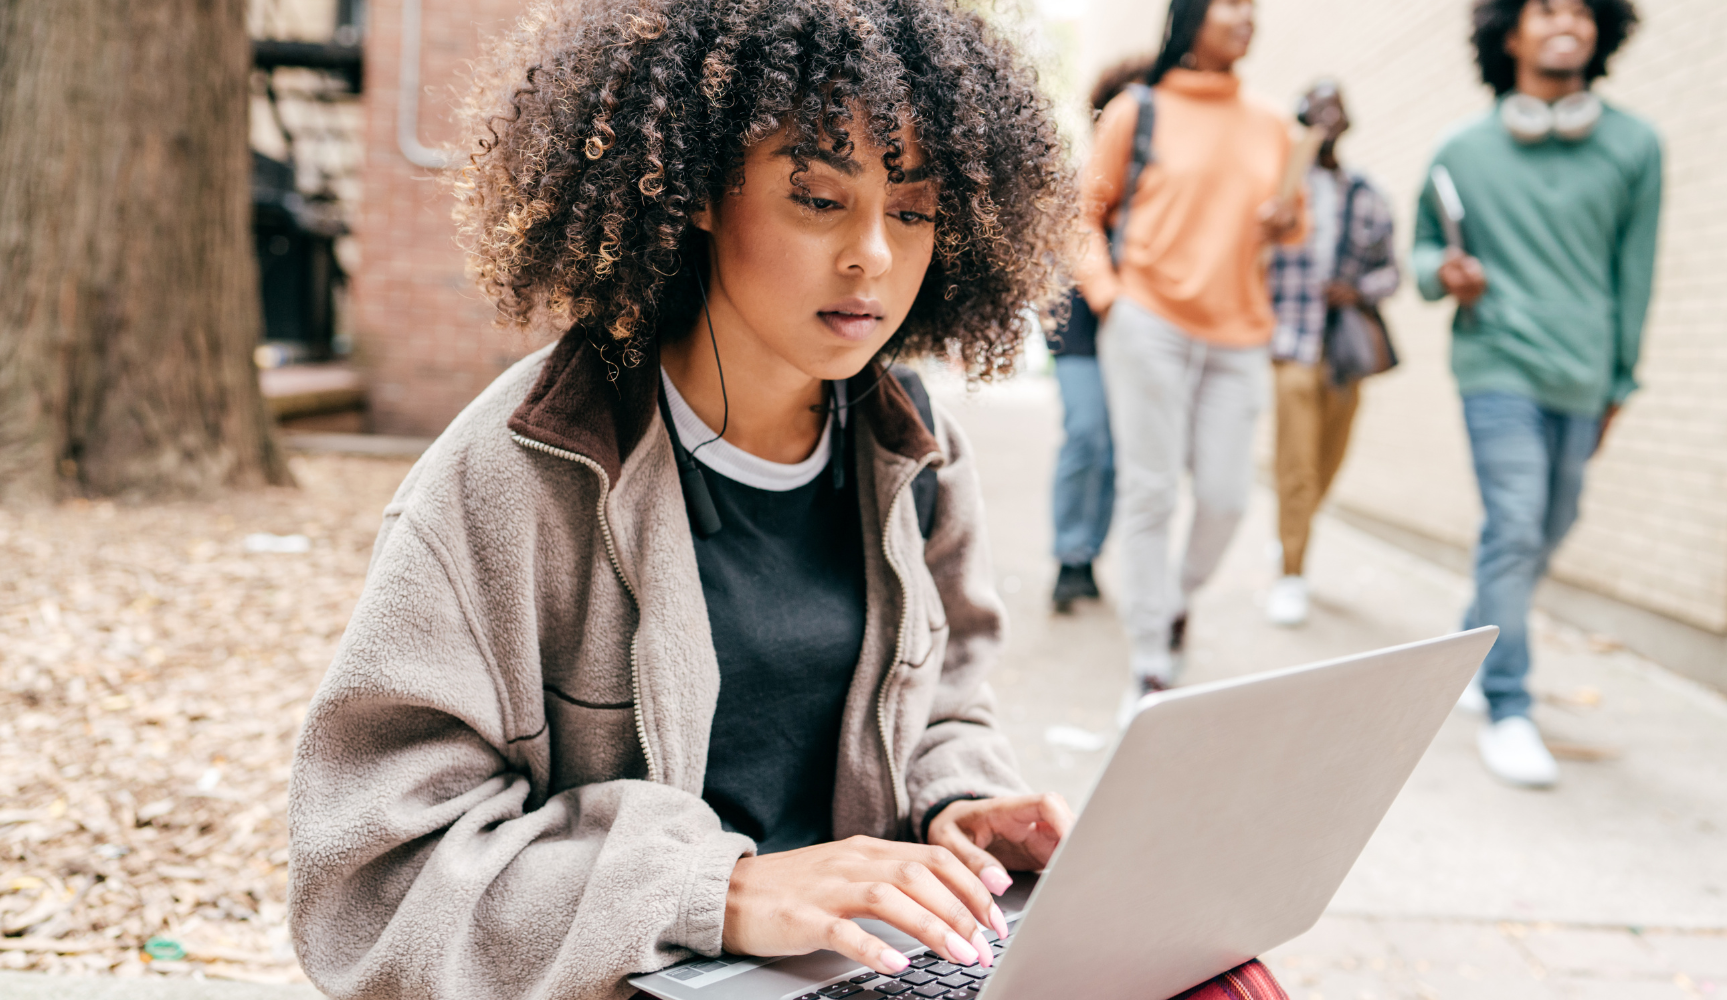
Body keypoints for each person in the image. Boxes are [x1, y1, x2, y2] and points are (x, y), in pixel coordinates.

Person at [285, 1, 1288, 998]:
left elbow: (943, 702)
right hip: (641, 974)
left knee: (1223, 977)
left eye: (911, 210)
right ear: (696, 190)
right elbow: (373, 883)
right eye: (818, 198)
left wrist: (960, 802)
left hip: (870, 960)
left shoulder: (917, 447)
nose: (873, 258)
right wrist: (713, 890)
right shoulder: (514, 476)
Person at [1413, 0, 1657, 788]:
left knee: (1553, 521)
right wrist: (1440, 272)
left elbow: (1636, 276)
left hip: (1583, 371)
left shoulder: (1635, 147)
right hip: (1497, 364)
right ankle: (1508, 700)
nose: (1568, 22)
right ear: (1508, 33)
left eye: (1584, 10)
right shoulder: (1461, 151)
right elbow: (1423, 249)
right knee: (1516, 523)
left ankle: (1474, 637)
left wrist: (1621, 381)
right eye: (1547, 8)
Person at [1078, 0, 1301, 708]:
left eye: (1252, 6)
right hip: (1150, 321)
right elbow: (1083, 212)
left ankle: (1173, 598)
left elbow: (1293, 235)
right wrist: (1110, 298)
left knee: (1228, 498)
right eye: (1229, 3)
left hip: (1239, 335)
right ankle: (1149, 661)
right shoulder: (1137, 111)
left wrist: (1286, 221)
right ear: (1191, 15)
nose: (1246, 16)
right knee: (1150, 490)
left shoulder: (1274, 126)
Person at [1264, 79, 1400, 627]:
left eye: (1335, 108)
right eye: (1315, 108)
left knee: (1328, 461)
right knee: (1295, 463)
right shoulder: (1281, 183)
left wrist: (1359, 290)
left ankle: (1289, 535)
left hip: (1343, 349)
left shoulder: (1369, 193)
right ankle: (1291, 571)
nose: (1326, 117)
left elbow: (1393, 271)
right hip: (1291, 341)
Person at [1048, 55, 1153, 615]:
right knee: (1087, 432)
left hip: (1139, 330)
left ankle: (1088, 556)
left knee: (1117, 450)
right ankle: (1067, 555)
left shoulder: (1159, 183)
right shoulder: (1077, 178)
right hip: (1081, 327)